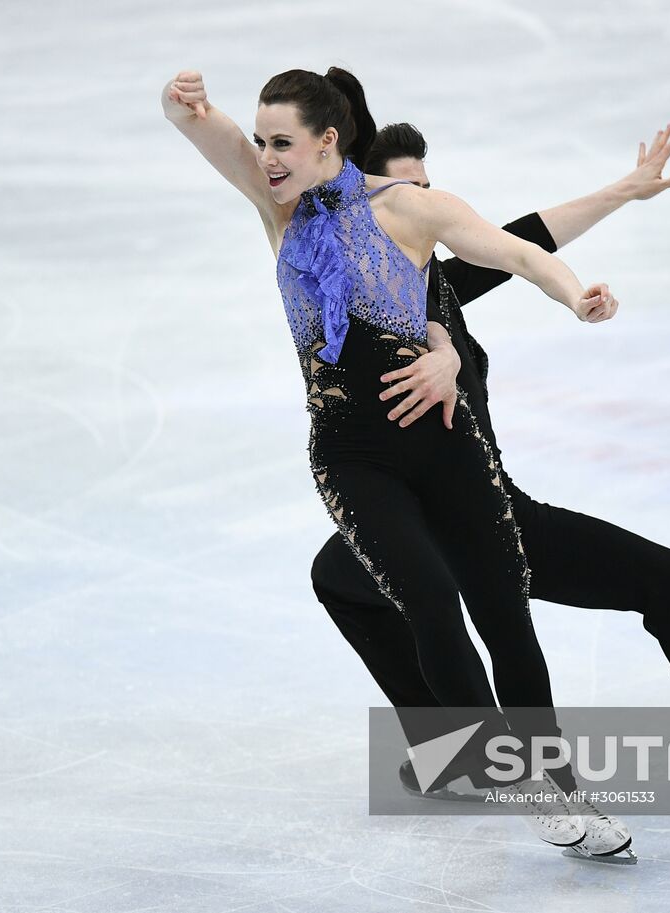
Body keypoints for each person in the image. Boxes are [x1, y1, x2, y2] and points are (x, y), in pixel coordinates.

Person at [314, 120, 670, 834]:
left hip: (493, 514)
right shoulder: (351, 314)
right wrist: (437, 356)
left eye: (429, 187)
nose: (424, 202)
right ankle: (460, 747)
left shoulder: (440, 283)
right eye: (406, 191)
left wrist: (621, 193)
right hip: (424, 525)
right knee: (346, 576)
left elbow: (526, 238)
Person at [162, 66, 637, 863]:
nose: (268, 156)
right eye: (261, 141)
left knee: (504, 609)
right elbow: (199, 132)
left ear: (326, 142)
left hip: (443, 440)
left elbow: (516, 251)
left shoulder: (408, 207)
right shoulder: (274, 205)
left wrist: (573, 295)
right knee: (427, 595)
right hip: (351, 452)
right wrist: (180, 107)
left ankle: (559, 781)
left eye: (282, 142)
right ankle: (515, 779)